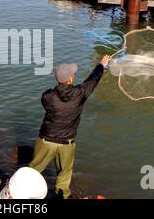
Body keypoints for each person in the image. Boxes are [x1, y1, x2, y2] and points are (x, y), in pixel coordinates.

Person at [29, 55, 111, 199]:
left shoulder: (47, 96)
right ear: (71, 79)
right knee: (64, 177)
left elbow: (49, 99)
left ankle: (21, 193)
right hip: (67, 143)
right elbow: (93, 80)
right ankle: (62, 196)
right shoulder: (80, 94)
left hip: (46, 141)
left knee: (33, 170)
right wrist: (101, 65)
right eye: (73, 74)